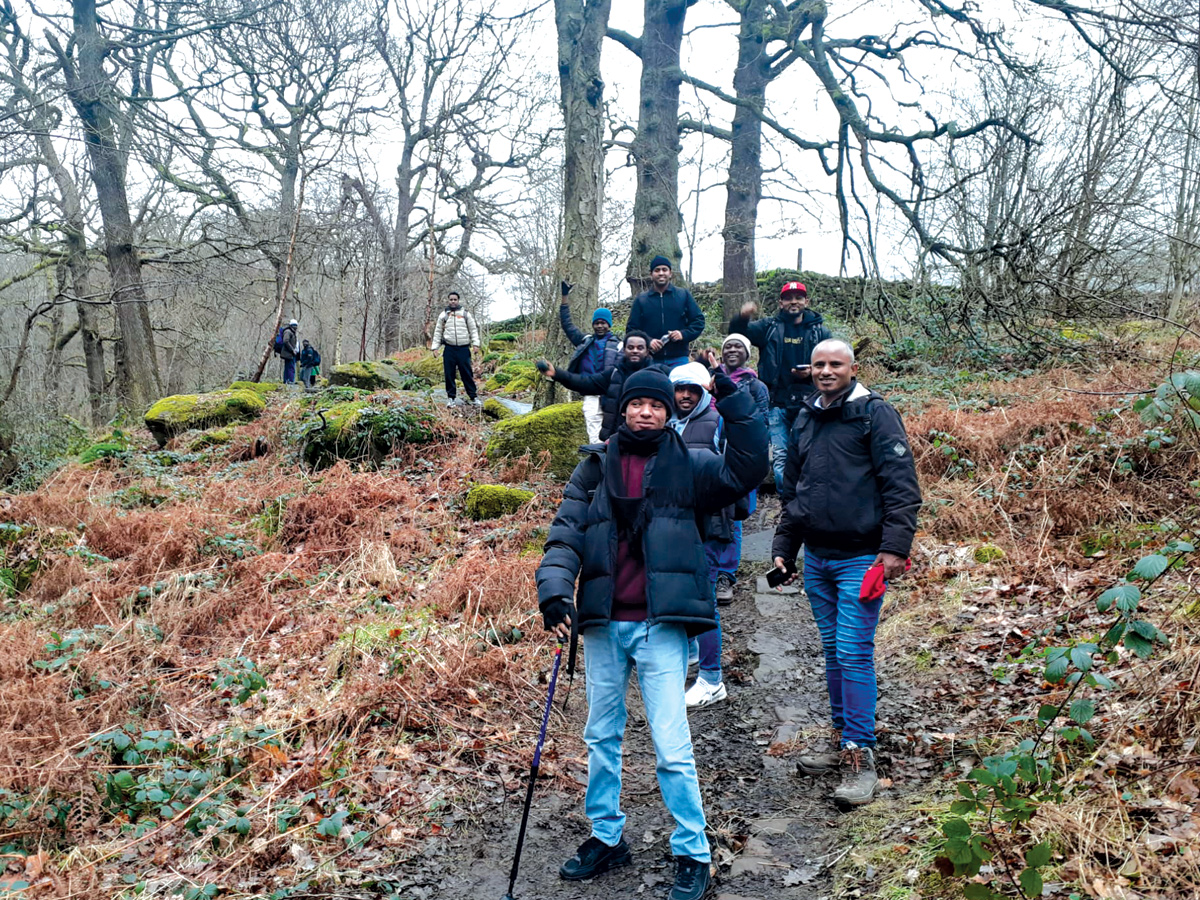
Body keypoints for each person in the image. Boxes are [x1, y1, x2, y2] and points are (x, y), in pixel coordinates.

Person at [537, 365, 768, 900]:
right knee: (600, 735)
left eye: (658, 405)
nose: (647, 412)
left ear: (669, 412)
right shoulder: (594, 468)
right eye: (638, 404)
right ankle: (606, 834)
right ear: (624, 410)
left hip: (659, 625)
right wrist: (554, 588)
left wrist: (729, 393)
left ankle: (693, 851)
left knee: (670, 743)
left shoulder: (692, 464)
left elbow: (750, 467)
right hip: (601, 623)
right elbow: (565, 533)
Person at [770, 339, 921, 810]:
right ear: (809, 370)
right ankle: (841, 739)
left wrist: (894, 547)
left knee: (854, 652)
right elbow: (795, 491)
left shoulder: (876, 414)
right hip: (817, 557)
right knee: (835, 652)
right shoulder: (806, 417)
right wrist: (783, 549)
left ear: (853, 367)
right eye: (819, 365)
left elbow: (901, 485)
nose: (826, 371)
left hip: (862, 559)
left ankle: (860, 754)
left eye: (835, 364)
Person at [666, 362, 734, 709]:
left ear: (704, 390)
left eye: (694, 389)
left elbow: (737, 470)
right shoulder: (664, 420)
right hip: (671, 522)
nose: (686, 395)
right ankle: (691, 653)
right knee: (680, 591)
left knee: (705, 599)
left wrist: (731, 515)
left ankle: (711, 678)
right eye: (680, 388)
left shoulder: (717, 421)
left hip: (707, 523)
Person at [728, 281, 832, 488]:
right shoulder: (769, 327)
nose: (793, 302)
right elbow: (737, 334)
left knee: (809, 453)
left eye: (798, 297)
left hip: (810, 403)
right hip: (777, 403)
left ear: (806, 301)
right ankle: (788, 504)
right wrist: (743, 316)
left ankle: (808, 503)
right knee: (781, 456)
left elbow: (831, 364)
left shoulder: (820, 332)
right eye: (788, 298)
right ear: (781, 302)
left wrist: (812, 372)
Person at [700, 333, 770, 603]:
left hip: (740, 456)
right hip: (709, 453)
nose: (731, 350)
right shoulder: (710, 381)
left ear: (747, 353)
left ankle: (725, 575)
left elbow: (761, 422)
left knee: (734, 516)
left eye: (738, 346)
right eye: (728, 345)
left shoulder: (756, 386)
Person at [537, 331, 659, 442]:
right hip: (616, 438)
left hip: (649, 438)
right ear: (624, 350)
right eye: (631, 347)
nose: (635, 351)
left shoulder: (659, 376)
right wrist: (557, 373)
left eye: (640, 348)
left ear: (647, 351)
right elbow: (586, 382)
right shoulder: (614, 374)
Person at [560, 280, 621, 443]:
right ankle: (598, 464)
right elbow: (567, 325)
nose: (600, 326)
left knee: (613, 435)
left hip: (611, 396)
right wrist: (564, 297)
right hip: (591, 396)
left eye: (603, 323)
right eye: (597, 323)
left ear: (609, 324)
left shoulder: (619, 345)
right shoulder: (585, 342)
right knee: (594, 436)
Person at [627, 255, 706, 368]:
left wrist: (683, 334)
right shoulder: (641, 300)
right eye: (657, 270)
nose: (661, 273)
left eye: (664, 269)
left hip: (679, 358)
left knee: (680, 386)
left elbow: (698, 321)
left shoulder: (683, 295)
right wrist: (648, 341)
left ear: (670, 273)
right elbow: (631, 329)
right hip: (650, 359)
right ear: (651, 274)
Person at [430, 291, 481, 407]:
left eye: (455, 299)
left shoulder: (465, 314)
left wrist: (476, 344)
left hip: (463, 348)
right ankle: (451, 398)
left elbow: (473, 330)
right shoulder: (444, 315)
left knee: (467, 373)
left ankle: (474, 397)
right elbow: (437, 332)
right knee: (449, 374)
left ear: (458, 301)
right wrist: (435, 348)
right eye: (451, 299)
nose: (453, 301)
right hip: (449, 349)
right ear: (448, 301)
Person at [275, 318, 299, 385]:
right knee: (290, 367)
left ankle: (287, 380)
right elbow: (286, 341)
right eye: (295, 325)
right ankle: (290, 381)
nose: (296, 327)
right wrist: (292, 350)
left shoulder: (291, 332)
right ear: (292, 325)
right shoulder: (288, 332)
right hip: (289, 353)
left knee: (288, 367)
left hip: (290, 353)